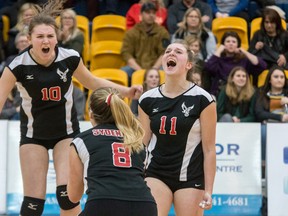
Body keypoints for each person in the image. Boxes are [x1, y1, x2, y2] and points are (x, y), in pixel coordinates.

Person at [0, 0, 143, 215]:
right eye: (40, 37)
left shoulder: (70, 59)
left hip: (65, 134)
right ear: (29, 39)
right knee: (32, 203)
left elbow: (93, 82)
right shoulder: (17, 66)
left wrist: (125, 91)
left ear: (57, 38)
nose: (46, 40)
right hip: (33, 135)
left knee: (67, 197)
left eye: (50, 36)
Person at [138, 39, 217, 216]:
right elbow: (142, 143)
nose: (171, 53)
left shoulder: (203, 99)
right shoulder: (147, 99)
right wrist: (133, 177)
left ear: (188, 64)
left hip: (190, 177)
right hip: (155, 173)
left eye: (178, 52)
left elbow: (210, 149)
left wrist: (209, 190)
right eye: (168, 51)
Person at [68, 87, 157, 216]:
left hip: (103, 203)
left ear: (91, 114)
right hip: (144, 205)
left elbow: (74, 196)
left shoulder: (81, 140)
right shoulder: (136, 140)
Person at [204, 31, 267, 97]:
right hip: (220, 93)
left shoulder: (243, 60)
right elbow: (208, 68)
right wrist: (219, 50)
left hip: (241, 93)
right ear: (223, 44)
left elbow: (262, 65)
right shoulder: (218, 59)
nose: (231, 44)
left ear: (238, 45)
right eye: (228, 41)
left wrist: (244, 52)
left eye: (234, 42)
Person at [121, 2, 170, 79]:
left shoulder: (163, 32)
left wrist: (154, 69)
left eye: (153, 13)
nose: (151, 15)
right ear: (141, 14)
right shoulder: (131, 33)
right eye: (148, 12)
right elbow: (126, 53)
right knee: (122, 73)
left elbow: (164, 52)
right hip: (136, 67)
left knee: (168, 71)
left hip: (157, 67)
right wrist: (140, 71)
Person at [254, 65, 288, 178]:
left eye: (282, 77)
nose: (279, 79)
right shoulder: (261, 94)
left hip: (286, 127)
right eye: (276, 77)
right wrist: (280, 118)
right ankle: (264, 163)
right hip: (269, 127)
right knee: (263, 131)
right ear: (270, 80)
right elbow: (259, 114)